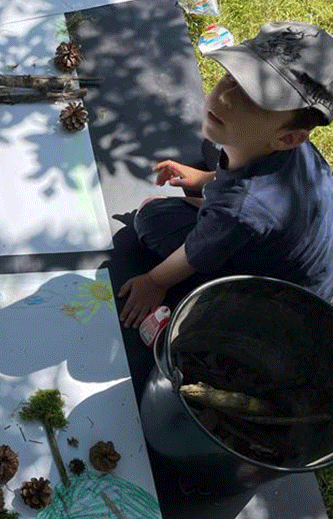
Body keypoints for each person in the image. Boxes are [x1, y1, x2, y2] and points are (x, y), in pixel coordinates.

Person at [119, 22, 333, 329]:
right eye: (231, 77)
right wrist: (204, 181)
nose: (224, 96)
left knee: (151, 216)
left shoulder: (242, 207)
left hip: (279, 296)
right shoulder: (288, 150)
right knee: (215, 146)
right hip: (302, 249)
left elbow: (197, 252)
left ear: (288, 137)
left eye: (254, 100)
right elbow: (242, 186)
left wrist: (154, 281)